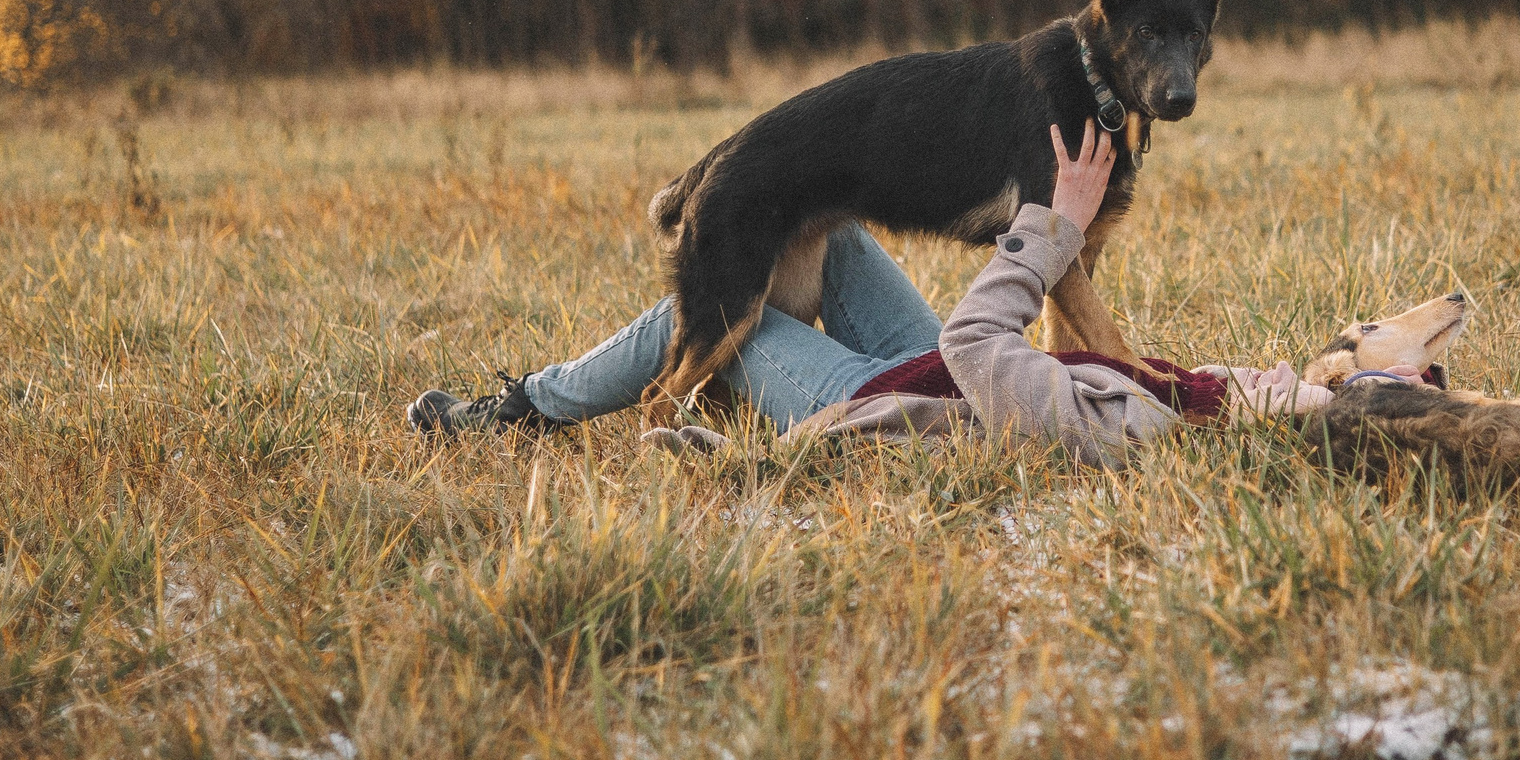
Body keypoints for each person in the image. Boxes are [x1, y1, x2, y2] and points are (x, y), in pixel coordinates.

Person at [407, 122, 1333, 465]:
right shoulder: (1204, 396)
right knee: (825, 224)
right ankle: (729, 375)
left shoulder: (1148, 432)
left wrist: (1056, 226)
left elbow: (981, 352)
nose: (1300, 362)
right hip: (919, 364)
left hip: (884, 402)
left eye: (1325, 376)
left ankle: (525, 408)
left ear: (1285, 419)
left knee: (720, 318)